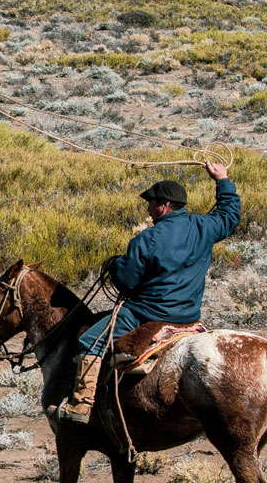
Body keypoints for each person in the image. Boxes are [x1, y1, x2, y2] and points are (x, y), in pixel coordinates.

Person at [62, 160, 240, 423]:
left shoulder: (147, 238)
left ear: (164, 206)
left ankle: (81, 405)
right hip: (188, 314)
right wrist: (222, 180)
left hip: (147, 313)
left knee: (90, 341)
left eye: (151, 203)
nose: (148, 208)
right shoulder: (204, 227)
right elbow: (229, 215)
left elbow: (126, 282)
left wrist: (116, 265)